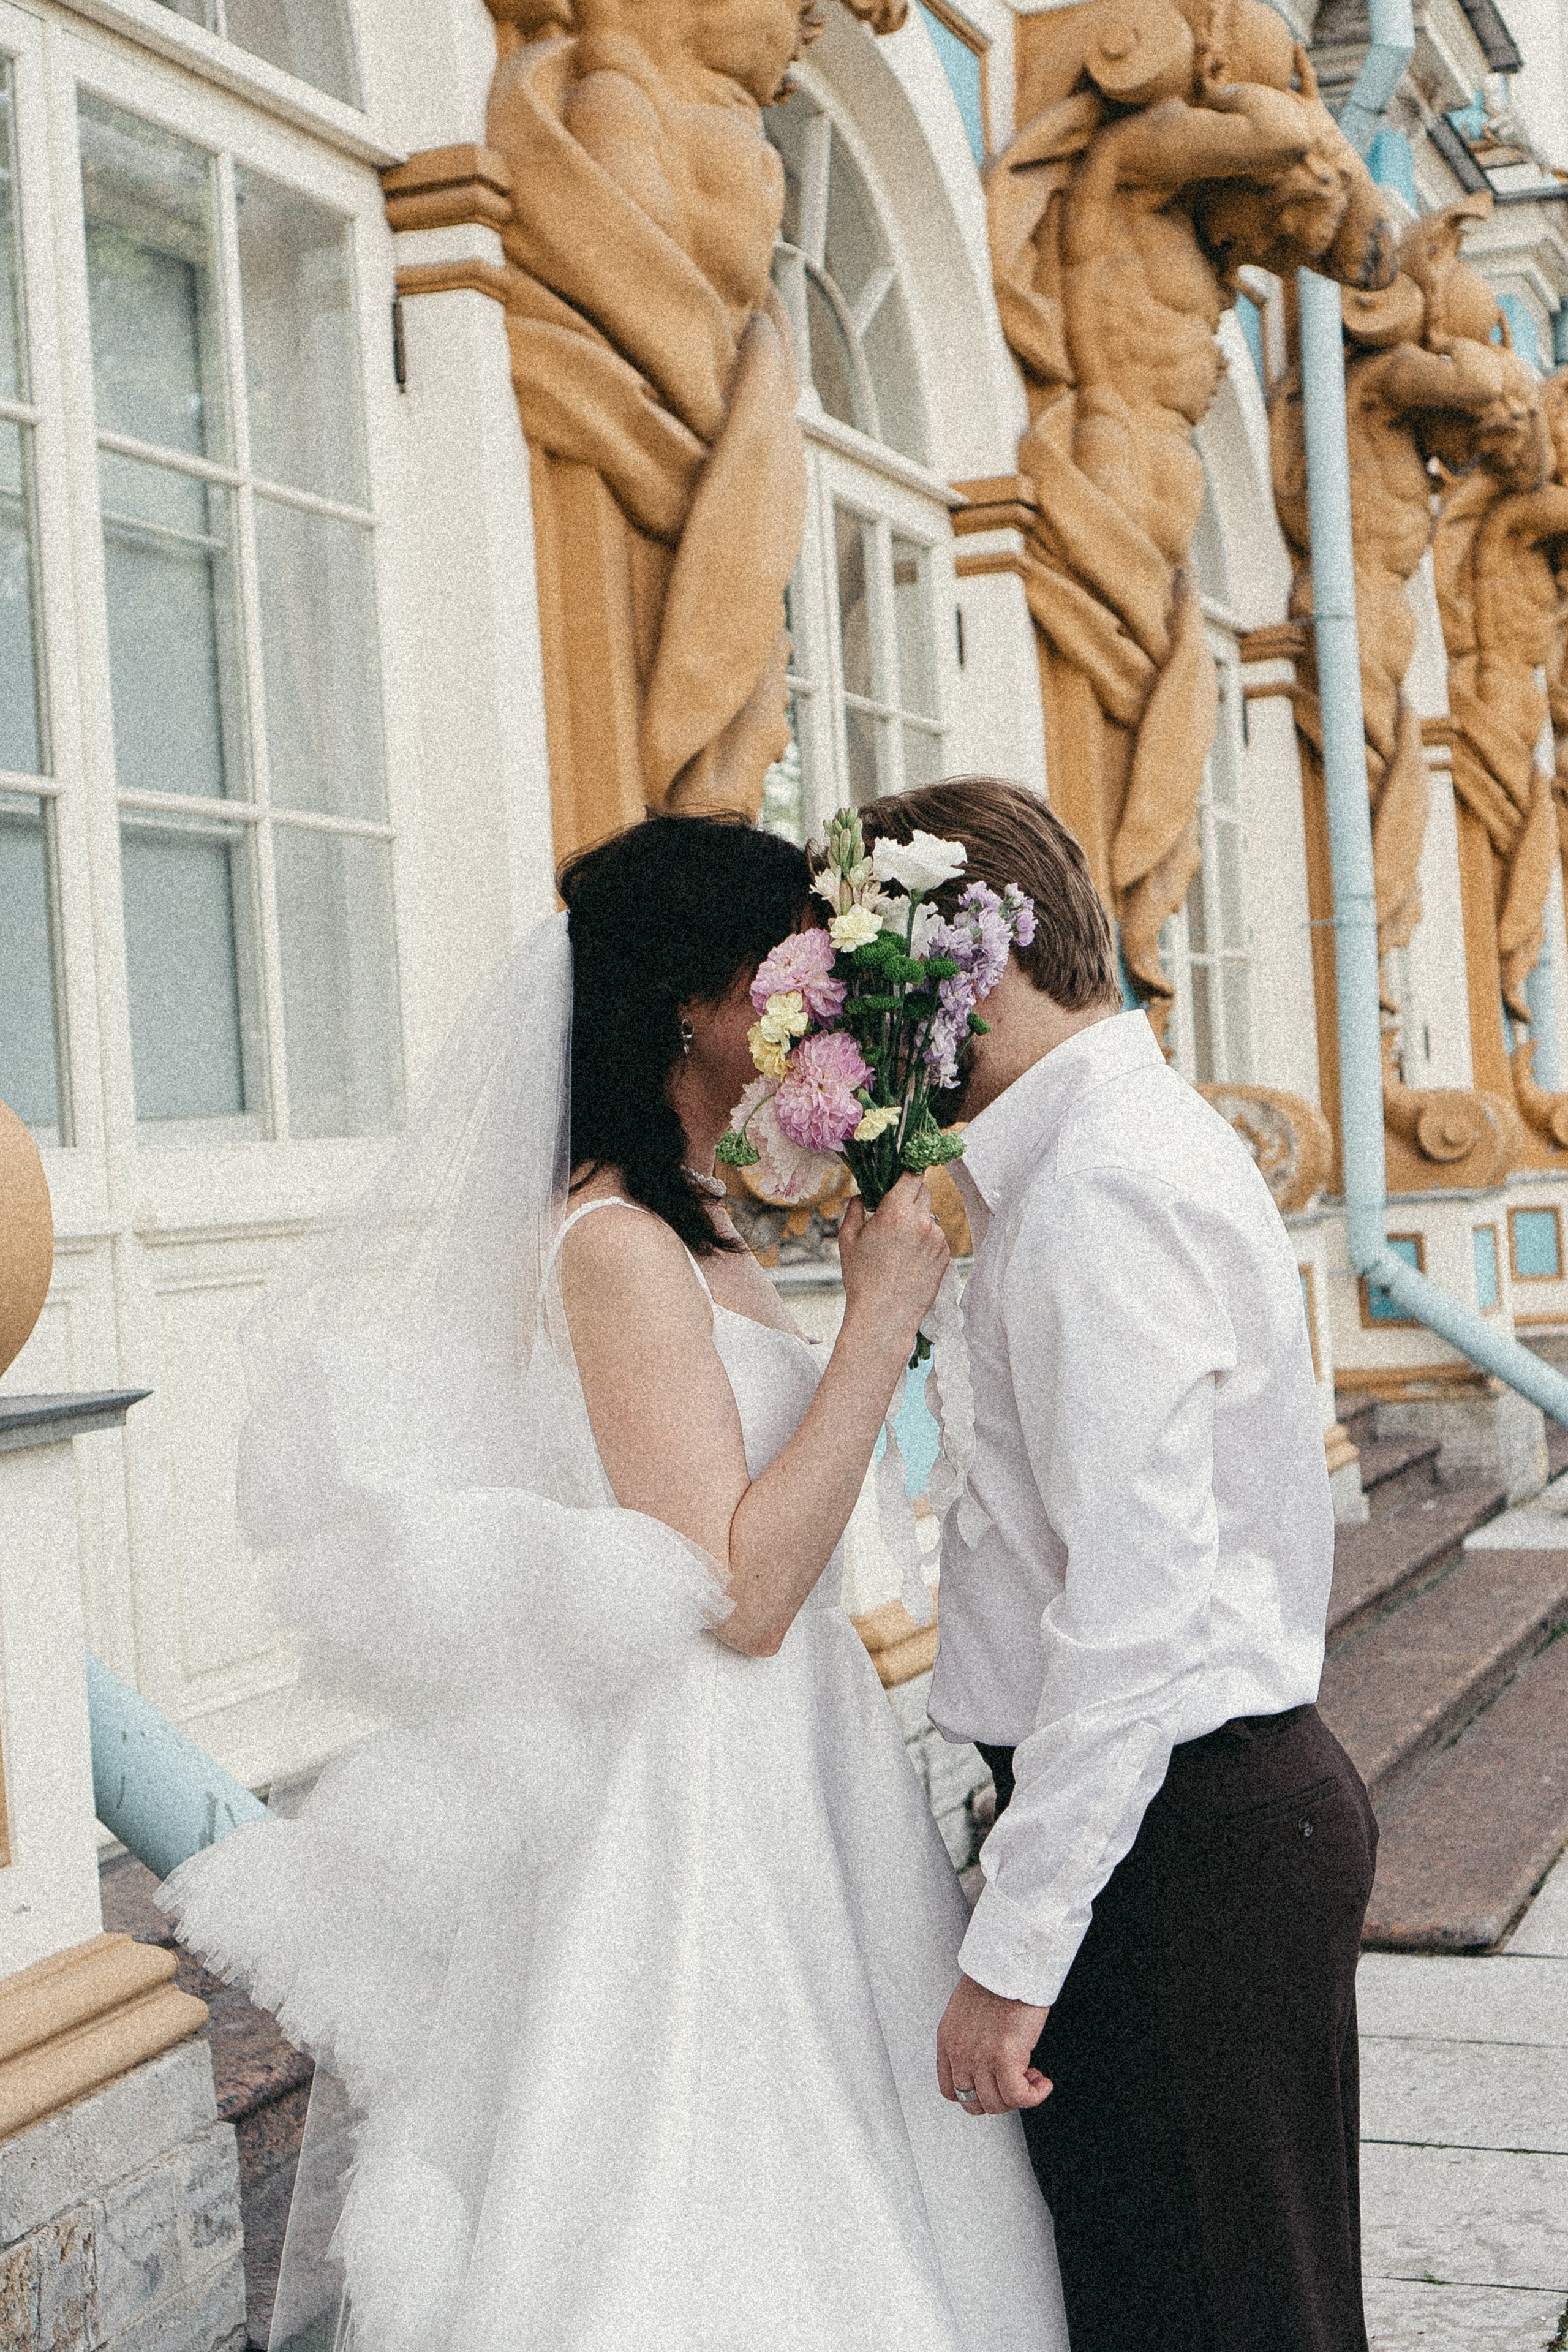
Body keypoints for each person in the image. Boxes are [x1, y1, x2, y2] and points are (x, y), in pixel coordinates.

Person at [161, 813, 1066, 2352]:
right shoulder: (615, 1244)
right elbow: (739, 1594)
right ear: (691, 1006)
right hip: (700, 1792)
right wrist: (874, 1319)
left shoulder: (703, 1222)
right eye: (783, 972)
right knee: (706, 2196)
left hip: (800, 1769)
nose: (812, 1008)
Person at [858, 777, 1378, 2352]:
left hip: (1179, 1846)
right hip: (1182, 1827)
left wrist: (1013, 1955)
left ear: (978, 976)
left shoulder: (1095, 1189)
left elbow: (1131, 1615)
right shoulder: (1100, 1149)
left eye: (872, 995)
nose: (860, 1051)